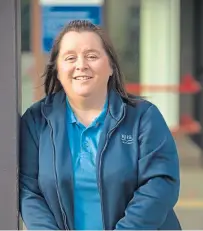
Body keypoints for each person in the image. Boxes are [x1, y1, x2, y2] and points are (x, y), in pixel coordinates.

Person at [20, 20, 181, 230]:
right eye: (70, 58)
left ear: (111, 66)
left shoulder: (144, 117)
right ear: (58, 70)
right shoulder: (36, 120)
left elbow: (161, 184)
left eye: (92, 56)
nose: (81, 65)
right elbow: (28, 192)